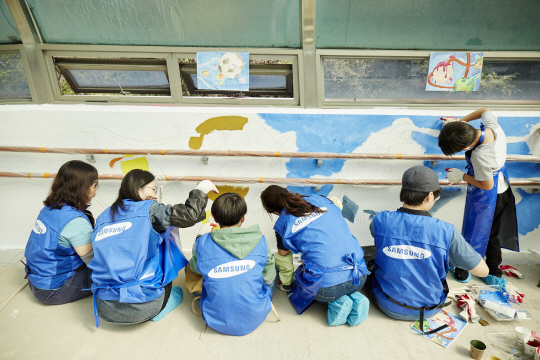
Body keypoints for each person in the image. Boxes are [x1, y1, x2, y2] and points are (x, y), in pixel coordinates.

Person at [88, 169, 215, 326]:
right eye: (153, 189)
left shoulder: (103, 216)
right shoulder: (150, 209)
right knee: (163, 245)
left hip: (105, 307)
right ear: (138, 189)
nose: (155, 196)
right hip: (144, 307)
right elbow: (189, 215)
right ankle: (163, 307)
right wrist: (201, 189)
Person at [369, 165, 489, 332]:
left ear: (402, 190)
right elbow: (483, 271)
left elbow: (378, 238)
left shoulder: (380, 220)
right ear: (430, 196)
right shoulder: (446, 231)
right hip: (429, 309)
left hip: (387, 304)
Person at [260, 185, 370, 327]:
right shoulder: (321, 200)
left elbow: (283, 259)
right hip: (360, 274)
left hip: (327, 288)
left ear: (273, 211)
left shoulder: (282, 224)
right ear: (288, 192)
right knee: (336, 271)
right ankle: (355, 296)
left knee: (301, 280)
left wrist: (287, 285)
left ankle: (337, 303)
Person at [439, 108, 518, 285]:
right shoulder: (492, 128)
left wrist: (462, 176)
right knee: (492, 234)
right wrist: (459, 121)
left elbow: (487, 184)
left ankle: (464, 268)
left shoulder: (481, 156)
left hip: (488, 197)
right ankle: (494, 270)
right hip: (503, 189)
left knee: (476, 232)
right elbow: (485, 110)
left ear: (467, 147)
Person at [188, 192, 277, 336]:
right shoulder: (261, 240)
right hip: (256, 316)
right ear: (243, 217)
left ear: (215, 218)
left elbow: (196, 270)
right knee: (272, 268)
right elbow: (268, 278)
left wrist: (199, 238)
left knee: (192, 268)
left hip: (214, 318)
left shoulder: (202, 243)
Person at [23, 160, 98, 305]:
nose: (96, 189)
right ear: (80, 187)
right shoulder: (75, 221)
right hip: (54, 289)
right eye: (93, 184)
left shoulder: (50, 208)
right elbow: (94, 261)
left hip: (36, 280)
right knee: (116, 273)